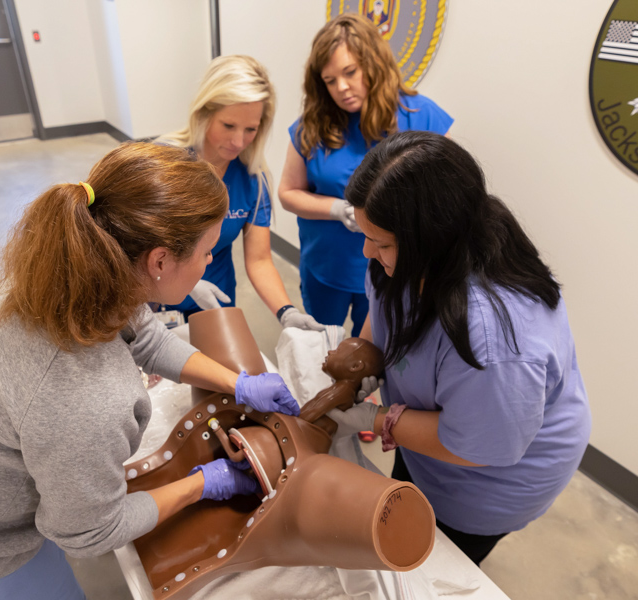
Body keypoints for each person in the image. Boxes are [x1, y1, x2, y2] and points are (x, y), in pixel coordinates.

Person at [0, 143, 303, 600]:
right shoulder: (85, 394)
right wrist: (203, 485)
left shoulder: (81, 275)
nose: (211, 262)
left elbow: (146, 338)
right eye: (208, 251)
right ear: (160, 261)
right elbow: (90, 532)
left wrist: (239, 383)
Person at [328, 131, 592, 565]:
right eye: (365, 233)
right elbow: (383, 314)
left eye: (382, 243)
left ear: (432, 238)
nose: (366, 251)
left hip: (489, 480)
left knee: (430, 562)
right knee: (402, 508)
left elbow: (477, 447)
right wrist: (358, 360)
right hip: (437, 442)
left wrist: (375, 418)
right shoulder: (407, 259)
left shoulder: (494, 339)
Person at [279, 13, 453, 337]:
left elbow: (452, 199)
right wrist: (337, 210)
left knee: (376, 358)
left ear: (373, 63)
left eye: (350, 72)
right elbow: (288, 192)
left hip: (394, 271)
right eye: (329, 80)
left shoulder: (421, 115)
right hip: (326, 266)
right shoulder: (312, 125)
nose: (342, 88)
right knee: (324, 349)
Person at [159, 55, 323, 331]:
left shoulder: (252, 180)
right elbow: (131, 247)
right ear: (204, 112)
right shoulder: (164, 162)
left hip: (214, 301)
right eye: (228, 126)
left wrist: (287, 312)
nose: (238, 141)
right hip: (157, 299)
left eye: (251, 130)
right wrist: (186, 282)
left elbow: (259, 260)